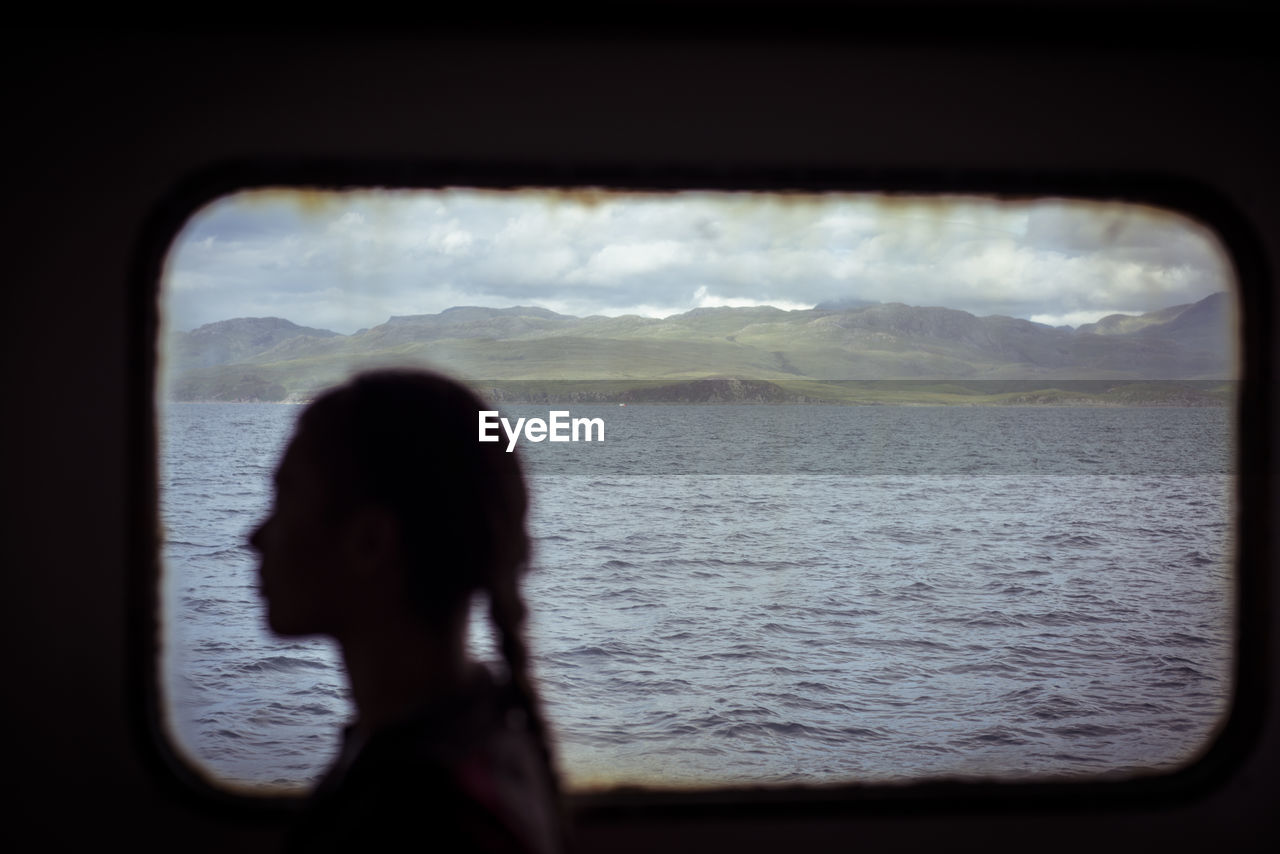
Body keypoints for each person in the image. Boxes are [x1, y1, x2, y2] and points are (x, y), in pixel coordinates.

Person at [249, 369, 564, 854]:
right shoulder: (467, 735)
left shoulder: (418, 820)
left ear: (371, 542)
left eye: (285, 498)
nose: (255, 536)